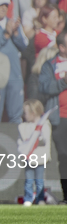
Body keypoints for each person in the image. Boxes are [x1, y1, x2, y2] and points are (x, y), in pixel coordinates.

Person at [38, 30, 67, 204]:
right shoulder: (50, 65)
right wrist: (63, 82)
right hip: (60, 118)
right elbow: (44, 87)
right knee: (64, 157)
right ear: (62, 47)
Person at [18, 99, 51, 206]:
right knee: (28, 180)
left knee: (39, 180)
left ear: (33, 113)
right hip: (29, 158)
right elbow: (21, 141)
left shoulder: (44, 125)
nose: (24, 115)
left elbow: (45, 139)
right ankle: (28, 198)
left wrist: (39, 137)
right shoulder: (23, 126)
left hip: (40, 158)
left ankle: (40, 199)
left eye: (26, 112)